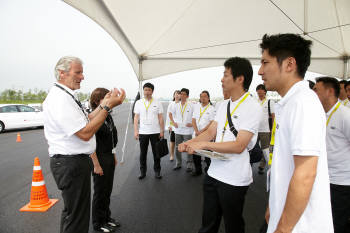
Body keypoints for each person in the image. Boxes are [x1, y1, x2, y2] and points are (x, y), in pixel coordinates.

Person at [258, 34, 333, 233]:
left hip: (301, 226)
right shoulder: (290, 103)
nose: (260, 71)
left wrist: (283, 229)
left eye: (265, 62)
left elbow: (306, 172)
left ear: (289, 64)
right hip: (287, 218)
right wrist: (272, 205)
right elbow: (286, 165)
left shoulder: (303, 103)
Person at [43, 56, 125, 233]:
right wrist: (107, 108)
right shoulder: (60, 99)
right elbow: (85, 133)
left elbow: (86, 120)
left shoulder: (66, 96)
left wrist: (103, 105)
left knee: (73, 213)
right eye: (78, 72)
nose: (82, 77)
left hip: (74, 162)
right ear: (61, 73)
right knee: (77, 218)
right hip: (70, 163)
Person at [179, 57, 262, 233]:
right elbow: (210, 133)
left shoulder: (252, 107)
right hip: (213, 173)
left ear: (240, 79)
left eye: (225, 75)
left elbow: (239, 145)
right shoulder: (223, 105)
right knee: (208, 224)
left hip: (234, 179)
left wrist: (203, 145)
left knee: (233, 226)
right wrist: (189, 143)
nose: (221, 79)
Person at [313, 77, 350, 233]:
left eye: (316, 90)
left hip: (341, 182)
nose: (313, 93)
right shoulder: (319, 114)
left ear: (329, 91)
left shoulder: (345, 115)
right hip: (322, 178)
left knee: (336, 224)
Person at [89, 88, 120, 232]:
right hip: (98, 157)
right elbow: (89, 142)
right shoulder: (94, 117)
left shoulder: (107, 115)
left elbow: (112, 138)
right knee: (100, 192)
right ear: (97, 101)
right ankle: (98, 223)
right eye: (106, 97)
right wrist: (96, 164)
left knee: (107, 190)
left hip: (108, 156)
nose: (110, 99)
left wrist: (113, 155)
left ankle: (107, 217)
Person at [133, 82, 164, 179]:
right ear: (143, 91)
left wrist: (162, 131)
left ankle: (157, 171)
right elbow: (136, 118)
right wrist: (135, 131)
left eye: (149, 90)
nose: (147, 92)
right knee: (143, 153)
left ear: (152, 91)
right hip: (143, 132)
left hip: (155, 132)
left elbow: (160, 118)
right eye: (145, 90)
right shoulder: (138, 103)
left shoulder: (157, 103)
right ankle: (143, 172)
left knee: (156, 153)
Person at [169, 88, 194, 171]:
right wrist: (173, 122)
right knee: (177, 147)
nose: (182, 95)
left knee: (188, 147)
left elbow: (195, 116)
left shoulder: (191, 105)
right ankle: (178, 163)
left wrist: (192, 124)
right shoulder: (176, 105)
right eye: (181, 94)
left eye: (184, 94)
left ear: (187, 96)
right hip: (178, 130)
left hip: (188, 130)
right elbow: (170, 114)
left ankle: (189, 165)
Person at [191, 91, 215, 176]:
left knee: (207, 155)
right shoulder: (197, 107)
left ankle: (210, 172)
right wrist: (197, 131)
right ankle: (198, 170)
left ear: (208, 98)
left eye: (205, 96)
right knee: (196, 154)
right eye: (201, 96)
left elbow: (212, 122)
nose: (203, 98)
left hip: (207, 136)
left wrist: (202, 131)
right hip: (196, 134)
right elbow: (193, 120)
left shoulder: (212, 109)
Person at [256, 84, 275, 174]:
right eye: (258, 91)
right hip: (255, 130)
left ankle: (272, 168)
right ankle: (249, 167)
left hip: (265, 130)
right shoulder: (255, 102)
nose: (259, 93)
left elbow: (273, 116)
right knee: (252, 149)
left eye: (261, 91)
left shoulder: (269, 102)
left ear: (265, 91)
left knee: (266, 149)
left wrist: (272, 129)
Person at [165, 90, 181, 161]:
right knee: (172, 142)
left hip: (181, 127)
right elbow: (168, 116)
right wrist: (169, 126)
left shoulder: (182, 104)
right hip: (173, 126)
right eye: (176, 94)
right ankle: (171, 155)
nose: (177, 95)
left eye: (178, 94)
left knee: (179, 143)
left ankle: (179, 157)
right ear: (174, 95)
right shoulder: (171, 104)